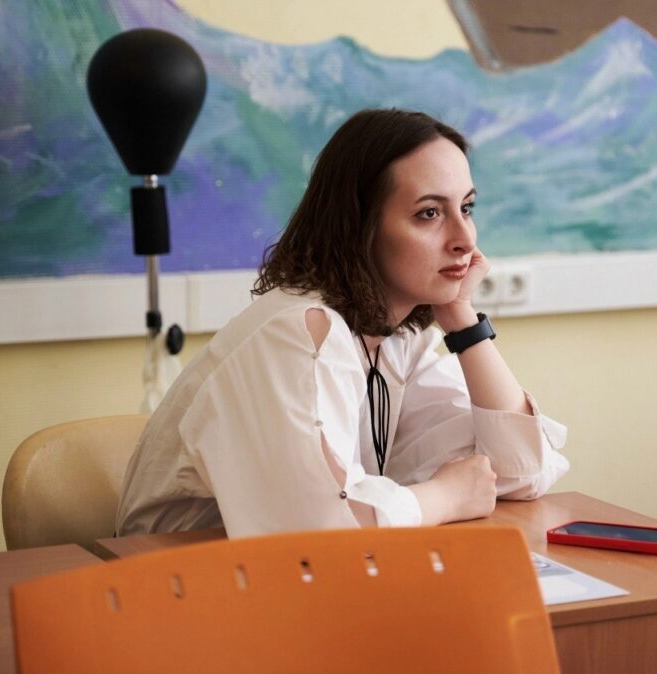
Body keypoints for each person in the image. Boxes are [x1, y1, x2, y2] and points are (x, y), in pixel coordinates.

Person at [115, 109, 569, 538]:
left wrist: (462, 320)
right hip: (168, 578)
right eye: (429, 213)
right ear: (360, 227)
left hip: (277, 579)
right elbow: (323, 529)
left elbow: (519, 470)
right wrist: (446, 497)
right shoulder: (297, 332)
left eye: (466, 208)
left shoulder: (394, 340)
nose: (464, 239)